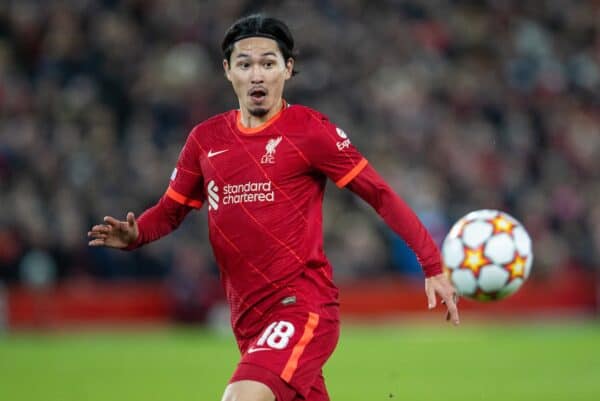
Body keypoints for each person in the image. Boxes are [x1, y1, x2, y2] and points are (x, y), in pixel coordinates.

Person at [88, 14, 459, 401]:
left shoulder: (310, 130)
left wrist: (432, 265)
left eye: (268, 63)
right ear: (228, 71)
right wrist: (136, 234)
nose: (257, 75)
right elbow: (170, 211)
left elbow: (380, 194)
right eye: (245, 64)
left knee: (241, 398)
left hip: (303, 307)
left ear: (288, 69)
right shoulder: (205, 139)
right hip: (248, 320)